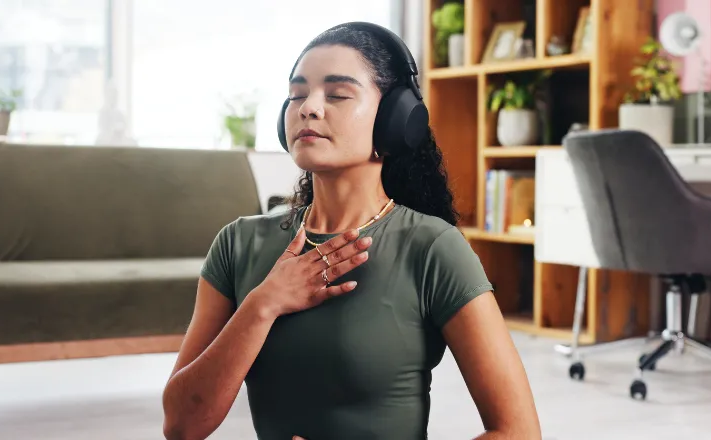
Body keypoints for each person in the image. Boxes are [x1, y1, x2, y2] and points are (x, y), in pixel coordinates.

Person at [162, 22, 541, 440]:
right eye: (297, 94)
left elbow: (519, 431)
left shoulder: (432, 248)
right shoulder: (238, 243)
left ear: (395, 120)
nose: (309, 107)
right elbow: (181, 426)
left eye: (338, 94)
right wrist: (263, 305)